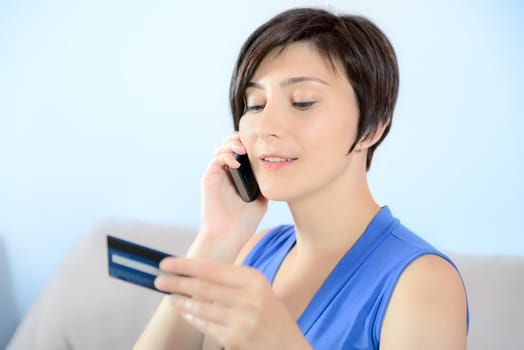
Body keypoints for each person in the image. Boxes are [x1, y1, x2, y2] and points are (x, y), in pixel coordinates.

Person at [134, 7, 468, 350]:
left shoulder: (424, 283)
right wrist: (217, 237)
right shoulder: (254, 252)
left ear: (372, 126)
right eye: (255, 104)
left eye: (303, 102)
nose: (265, 127)